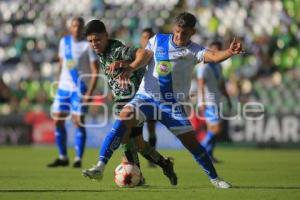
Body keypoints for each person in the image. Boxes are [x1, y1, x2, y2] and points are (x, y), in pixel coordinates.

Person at [83, 12, 242, 188]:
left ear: (193, 32)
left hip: (172, 104)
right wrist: (129, 67)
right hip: (146, 97)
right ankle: (100, 166)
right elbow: (145, 56)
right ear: (174, 28)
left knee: (192, 144)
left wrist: (229, 52)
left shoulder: (193, 50)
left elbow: (213, 56)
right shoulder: (157, 39)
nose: (180, 36)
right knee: (124, 117)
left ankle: (215, 179)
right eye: (178, 31)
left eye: (185, 33)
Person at [82, 20, 177, 185]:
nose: (94, 44)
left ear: (106, 35)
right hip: (122, 100)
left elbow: (145, 54)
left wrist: (130, 66)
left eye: (97, 39)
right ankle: (164, 164)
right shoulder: (101, 53)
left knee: (124, 138)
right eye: (90, 41)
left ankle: (105, 167)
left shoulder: (117, 50)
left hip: (134, 99)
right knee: (137, 143)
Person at [47, 17, 99, 168]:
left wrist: (90, 92)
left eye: (79, 26)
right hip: (63, 88)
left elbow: (96, 71)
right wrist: (58, 82)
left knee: (78, 122)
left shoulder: (87, 45)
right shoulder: (64, 42)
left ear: (83, 28)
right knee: (57, 120)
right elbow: (62, 65)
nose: (76, 28)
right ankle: (63, 157)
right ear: (70, 28)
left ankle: (77, 158)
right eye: (74, 26)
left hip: (80, 88)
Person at [197, 41, 232, 163]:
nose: (216, 52)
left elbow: (221, 85)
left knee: (212, 129)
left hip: (216, 100)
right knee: (217, 128)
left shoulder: (219, 66)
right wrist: (202, 102)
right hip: (208, 101)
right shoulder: (204, 66)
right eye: (214, 50)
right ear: (210, 51)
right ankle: (198, 150)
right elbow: (200, 84)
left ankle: (209, 155)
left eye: (218, 50)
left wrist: (227, 98)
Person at [140, 28, 158, 167]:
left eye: (151, 37)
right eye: (145, 37)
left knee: (151, 129)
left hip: (152, 97)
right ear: (141, 39)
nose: (148, 40)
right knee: (134, 130)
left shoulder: (158, 56)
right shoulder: (136, 54)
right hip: (136, 97)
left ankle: (152, 158)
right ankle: (132, 160)